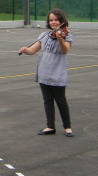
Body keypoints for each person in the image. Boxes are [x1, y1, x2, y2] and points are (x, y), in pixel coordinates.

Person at [19, 9, 74, 137]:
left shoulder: (66, 35)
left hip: (57, 71)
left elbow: (65, 50)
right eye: (51, 20)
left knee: (61, 101)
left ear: (61, 21)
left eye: (56, 20)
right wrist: (25, 49)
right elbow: (33, 50)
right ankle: (50, 126)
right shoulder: (45, 35)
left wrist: (60, 39)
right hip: (44, 70)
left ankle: (67, 127)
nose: (53, 22)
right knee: (47, 100)